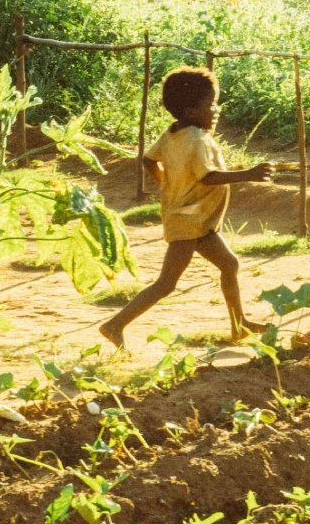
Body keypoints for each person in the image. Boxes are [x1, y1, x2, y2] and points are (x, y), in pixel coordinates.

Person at [99, 67, 272, 349]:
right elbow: (209, 177)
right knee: (166, 283)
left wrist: (168, 185)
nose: (216, 110)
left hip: (195, 219)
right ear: (192, 110)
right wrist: (248, 174)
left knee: (229, 264)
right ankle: (115, 324)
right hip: (187, 221)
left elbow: (148, 159)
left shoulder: (173, 133)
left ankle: (239, 325)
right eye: (211, 104)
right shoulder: (197, 139)